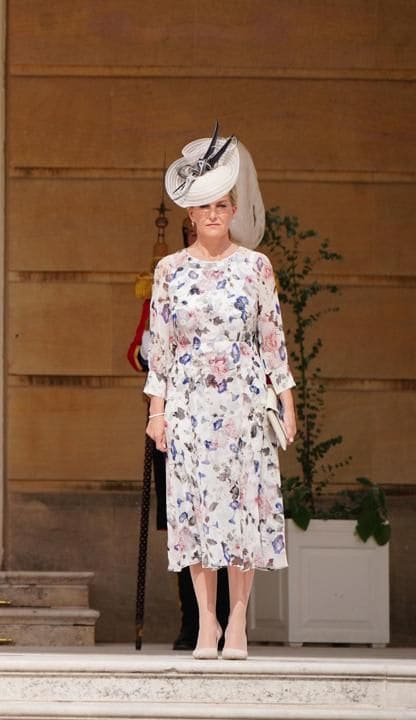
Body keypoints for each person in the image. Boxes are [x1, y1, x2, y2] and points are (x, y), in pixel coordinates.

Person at [145, 126, 296, 660]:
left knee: (244, 513)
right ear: (190, 213)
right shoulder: (169, 271)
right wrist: (156, 413)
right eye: (204, 205)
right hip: (188, 404)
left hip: (245, 403)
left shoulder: (256, 267)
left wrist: (287, 403)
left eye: (222, 204)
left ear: (234, 210)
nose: (213, 213)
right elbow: (159, 348)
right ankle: (206, 623)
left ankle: (238, 624)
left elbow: (272, 339)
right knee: (196, 513)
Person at [128, 217, 229, 651]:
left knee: (227, 522)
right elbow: (136, 351)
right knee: (185, 526)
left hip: (224, 420)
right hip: (178, 418)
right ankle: (194, 621)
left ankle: (227, 619)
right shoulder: (166, 282)